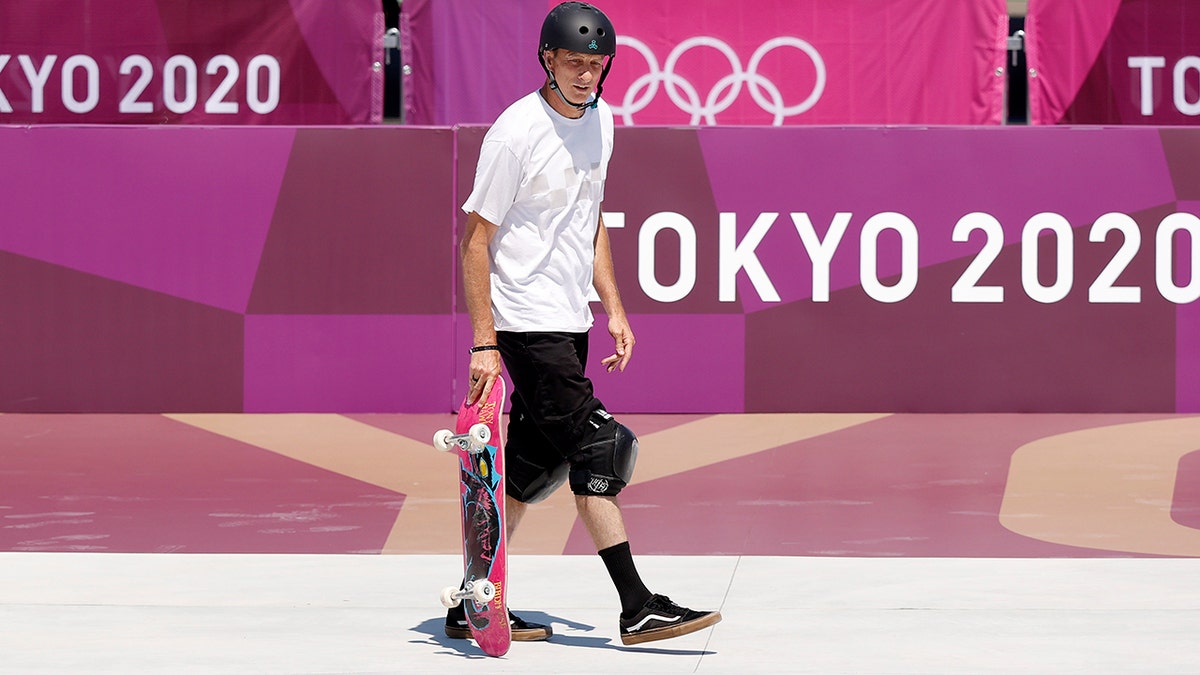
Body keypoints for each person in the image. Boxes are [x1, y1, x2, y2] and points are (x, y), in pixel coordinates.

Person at [446, 1, 722, 647]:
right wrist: (485, 343)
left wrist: (614, 305)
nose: (586, 76)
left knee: (528, 472)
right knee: (601, 448)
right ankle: (638, 605)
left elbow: (590, 216)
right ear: (547, 58)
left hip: (570, 319)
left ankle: (473, 599)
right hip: (525, 323)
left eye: (597, 65)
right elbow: (473, 242)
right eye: (574, 63)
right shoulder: (515, 133)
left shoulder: (603, 121)